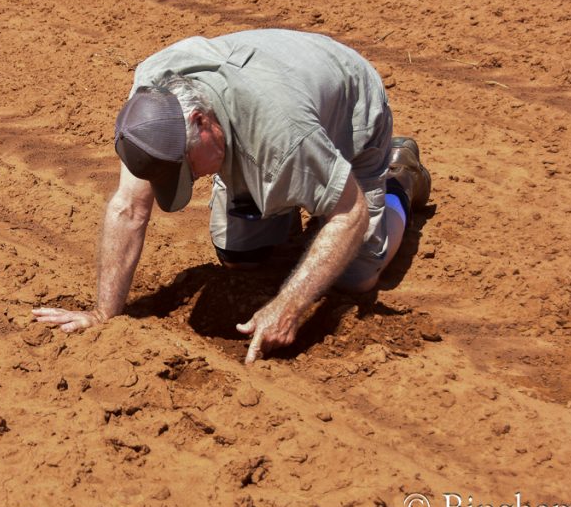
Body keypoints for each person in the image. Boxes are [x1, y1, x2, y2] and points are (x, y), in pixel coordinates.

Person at [33, 29, 430, 364]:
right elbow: (129, 208)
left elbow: (351, 214)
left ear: (201, 121)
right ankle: (293, 194)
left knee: (355, 275)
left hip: (348, 105)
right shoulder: (152, 107)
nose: (193, 179)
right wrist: (104, 313)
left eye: (188, 168)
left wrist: (288, 306)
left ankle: (400, 177)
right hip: (267, 111)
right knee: (242, 259)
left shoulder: (283, 134)